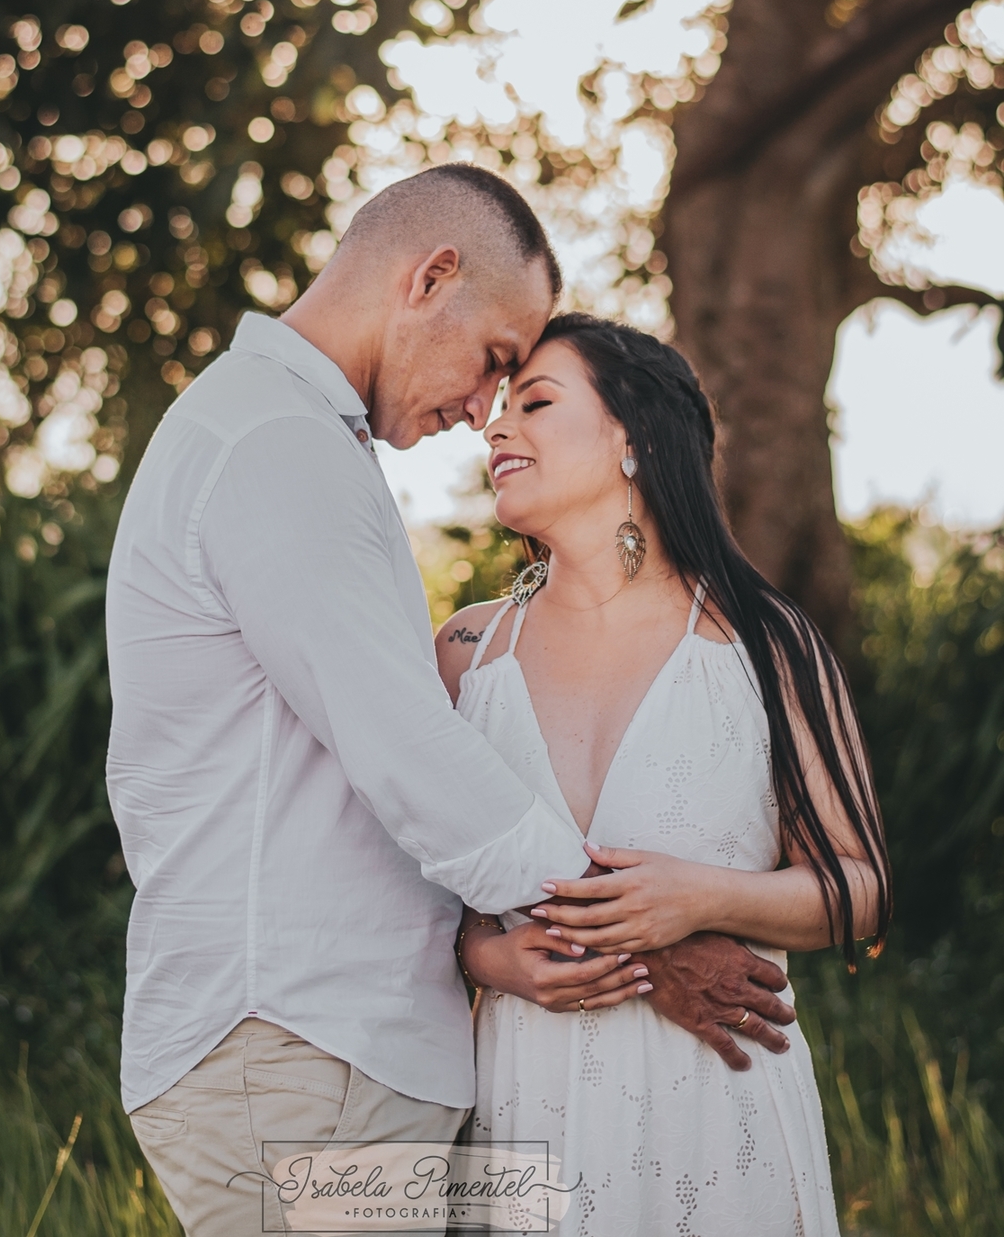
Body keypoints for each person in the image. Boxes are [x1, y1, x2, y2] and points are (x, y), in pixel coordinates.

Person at [106, 166, 796, 1236]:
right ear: (429, 278)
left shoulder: (291, 437)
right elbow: (409, 751)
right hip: (299, 1051)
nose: (484, 410)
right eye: (494, 360)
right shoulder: (275, 444)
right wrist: (645, 944)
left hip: (331, 1056)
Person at [439, 311, 891, 1237]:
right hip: (521, 1103)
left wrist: (701, 897)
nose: (495, 426)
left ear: (632, 437)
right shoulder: (464, 651)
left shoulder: (764, 641)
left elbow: (861, 887)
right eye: (500, 407)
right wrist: (488, 958)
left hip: (712, 1106)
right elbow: (413, 901)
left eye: (535, 402)